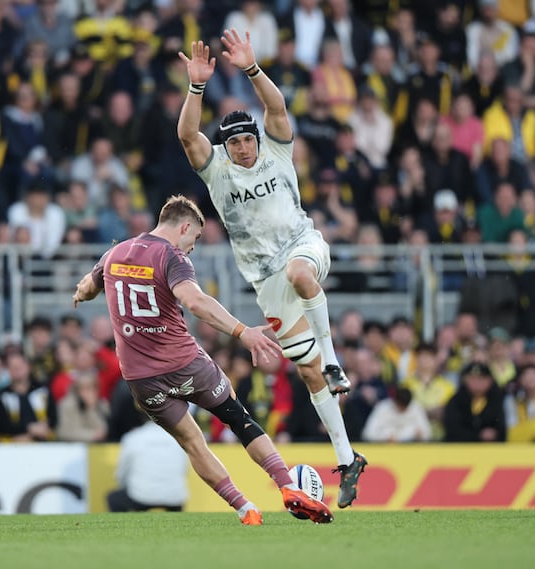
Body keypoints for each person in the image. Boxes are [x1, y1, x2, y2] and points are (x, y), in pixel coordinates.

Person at [175, 30, 367, 506]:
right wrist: (196, 87)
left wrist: (252, 69)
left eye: (246, 138)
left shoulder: (277, 148)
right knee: (307, 374)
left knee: (303, 276)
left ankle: (335, 360)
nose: (242, 147)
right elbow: (186, 135)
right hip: (263, 278)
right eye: (234, 142)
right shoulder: (216, 167)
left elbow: (277, 108)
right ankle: (347, 459)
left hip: (302, 245)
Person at [72, 195, 332, 525]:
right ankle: (287, 486)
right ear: (184, 226)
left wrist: (80, 293)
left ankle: (245, 509)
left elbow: (89, 285)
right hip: (184, 364)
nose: (192, 246)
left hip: (140, 378)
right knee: (238, 419)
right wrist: (242, 332)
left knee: (192, 442)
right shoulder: (172, 256)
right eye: (194, 237)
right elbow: (194, 302)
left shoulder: (114, 253)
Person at [108, 417, 190, 512]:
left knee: (113, 499)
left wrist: (124, 485)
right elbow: (184, 469)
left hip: (141, 495)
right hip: (175, 496)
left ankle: (128, 526)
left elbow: (122, 472)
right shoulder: (178, 437)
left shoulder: (133, 437)